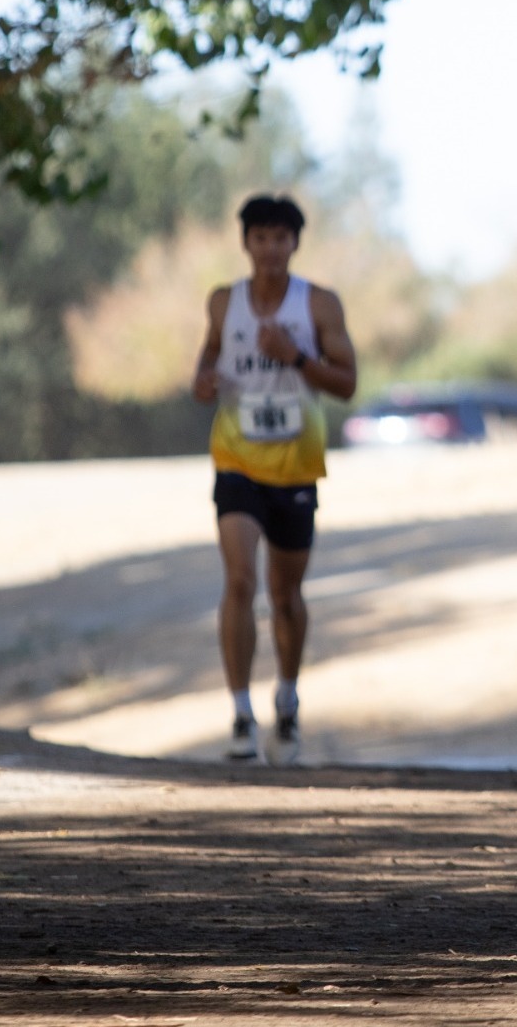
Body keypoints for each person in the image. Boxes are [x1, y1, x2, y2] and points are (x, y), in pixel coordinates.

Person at [192, 195, 358, 767]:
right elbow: (207, 359)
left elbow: (347, 383)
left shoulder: (318, 304)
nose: (270, 249)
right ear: (246, 243)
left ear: (294, 244)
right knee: (240, 582)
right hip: (235, 458)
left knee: (285, 595)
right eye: (260, 237)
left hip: (295, 463)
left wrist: (295, 357)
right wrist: (204, 380)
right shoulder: (223, 301)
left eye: (280, 238)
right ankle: (241, 712)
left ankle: (287, 696)